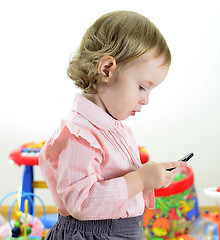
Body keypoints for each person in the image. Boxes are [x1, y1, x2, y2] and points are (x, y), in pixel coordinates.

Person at [39, 11, 186, 239]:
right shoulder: (81, 135)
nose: (145, 100)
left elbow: (117, 193)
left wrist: (149, 179)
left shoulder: (117, 130)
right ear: (107, 69)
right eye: (142, 87)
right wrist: (139, 179)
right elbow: (81, 201)